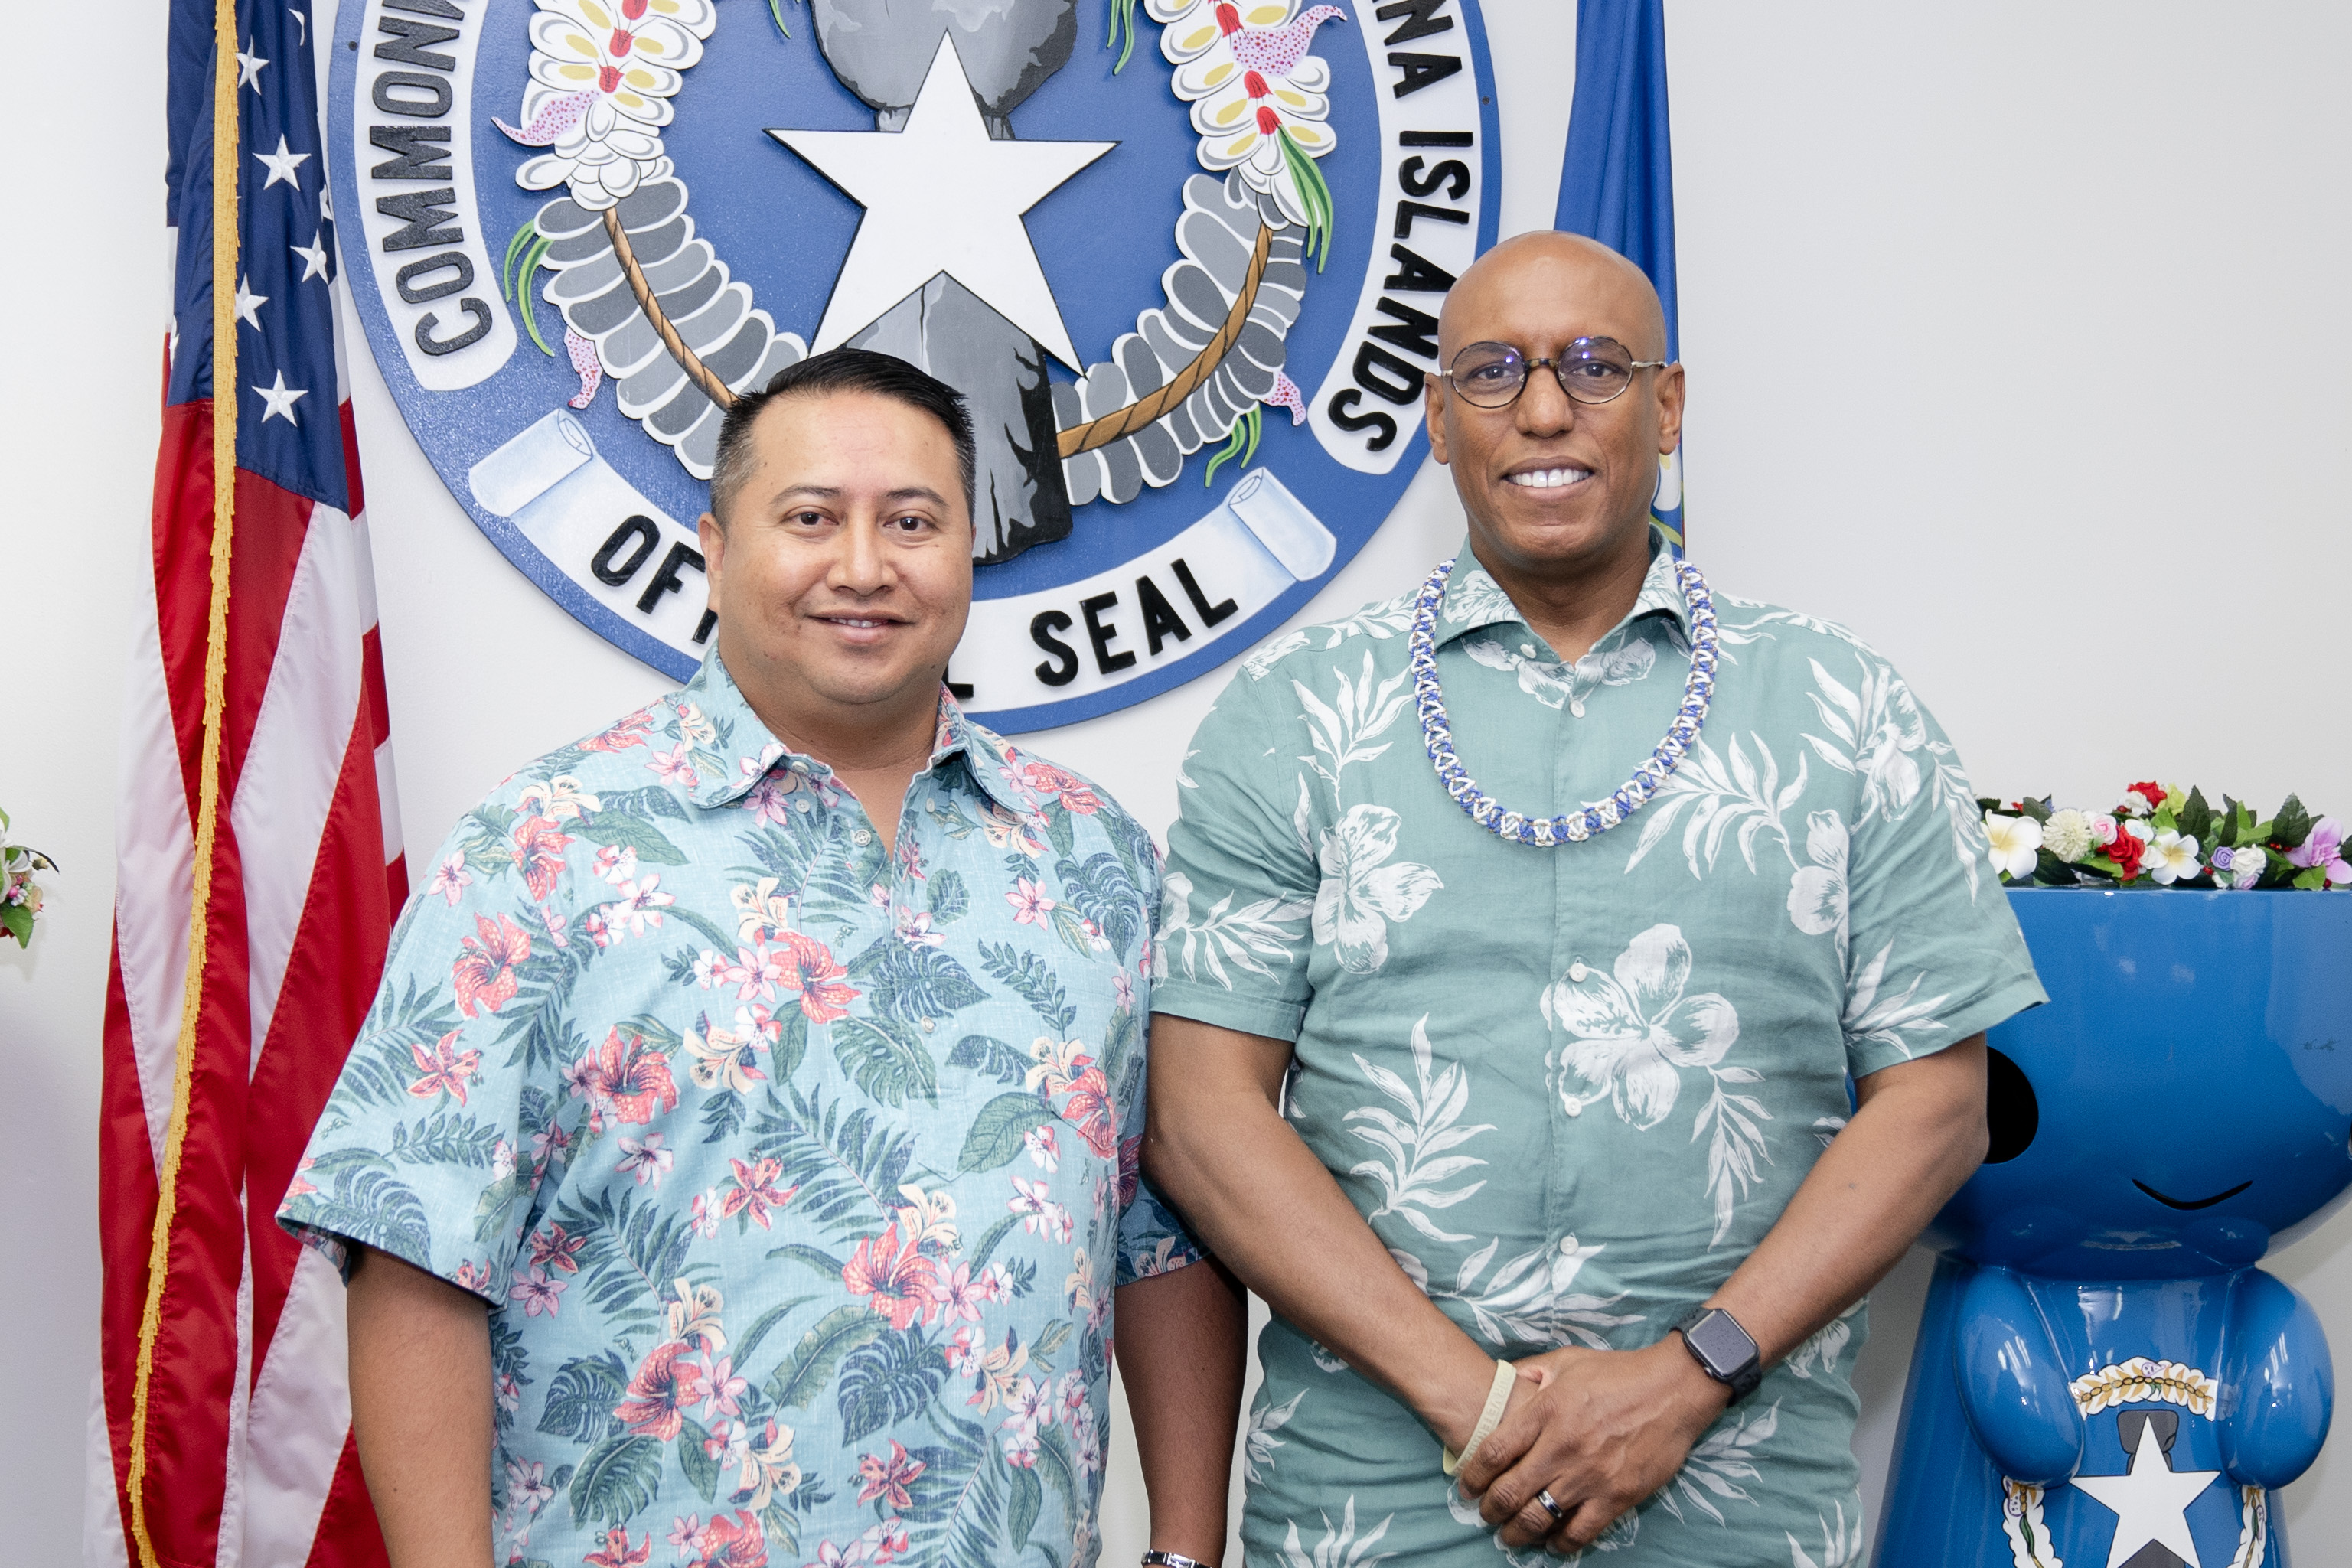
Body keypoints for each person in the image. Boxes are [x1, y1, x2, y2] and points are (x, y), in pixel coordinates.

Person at [1141, 232, 2044, 1564]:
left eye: (1595, 367)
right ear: (1438, 419)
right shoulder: (1292, 714)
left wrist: (1689, 1375)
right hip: (1370, 1502)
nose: (1545, 408)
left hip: (1738, 1496)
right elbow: (1201, 1114)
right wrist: (1479, 1401)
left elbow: (1937, 1102)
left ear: (1667, 409)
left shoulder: (1843, 706)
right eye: (1493, 372)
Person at [280, 349, 1245, 1568]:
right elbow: (416, 1254)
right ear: (715, 549)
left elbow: (1161, 1240)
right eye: (809, 518)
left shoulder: (1095, 858)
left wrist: (1182, 1549)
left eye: (911, 520)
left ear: (968, 551)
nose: (862, 565)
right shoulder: (546, 848)